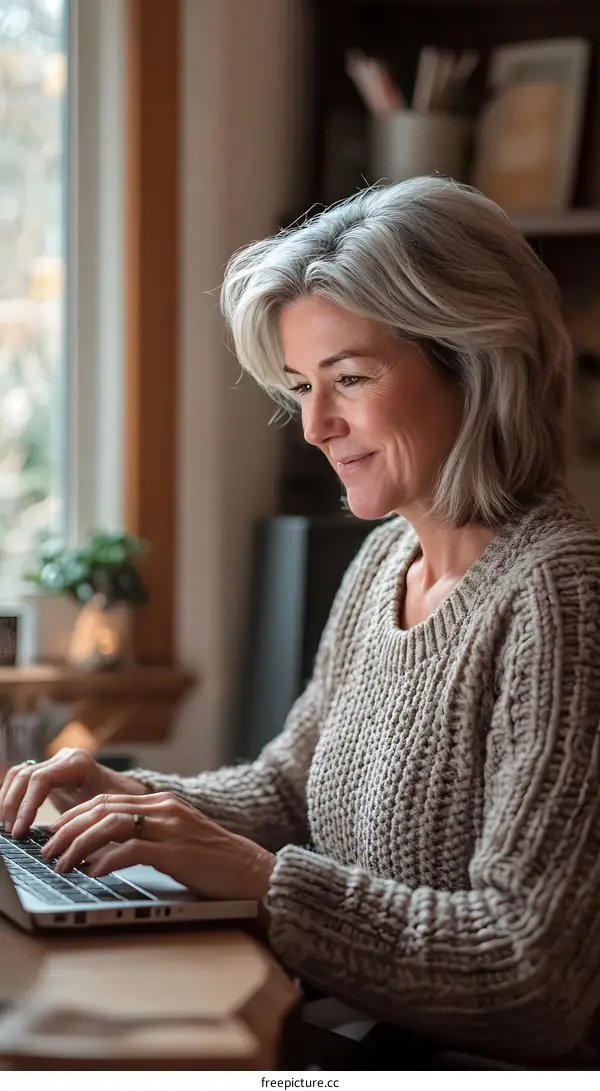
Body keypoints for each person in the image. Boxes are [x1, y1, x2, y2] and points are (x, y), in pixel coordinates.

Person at [2, 176, 600, 1068]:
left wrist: (259, 879)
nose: (316, 426)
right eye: (300, 387)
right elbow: (292, 788)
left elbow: (531, 971)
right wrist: (131, 805)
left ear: (476, 362)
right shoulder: (385, 560)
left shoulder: (562, 594)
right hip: (357, 1033)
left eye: (350, 379)